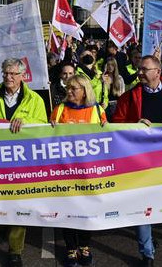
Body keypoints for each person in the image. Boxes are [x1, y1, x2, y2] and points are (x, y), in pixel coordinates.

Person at [113, 55, 162, 266]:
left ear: (157, 72)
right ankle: (147, 253)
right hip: (139, 161)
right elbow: (117, 124)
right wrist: (134, 124)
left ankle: (149, 238)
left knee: (160, 203)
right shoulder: (129, 97)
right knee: (143, 204)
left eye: (144, 69)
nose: (139, 73)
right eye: (139, 69)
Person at [0, 58, 47, 267]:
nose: (8, 77)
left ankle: (15, 250)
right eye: (5, 73)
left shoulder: (35, 99)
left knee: (19, 204)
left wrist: (27, 123)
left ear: (23, 76)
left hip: (22, 162)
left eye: (13, 74)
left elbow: (42, 126)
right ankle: (0, 227)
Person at [50, 75, 106, 267]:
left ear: (85, 91)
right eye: (68, 88)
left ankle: (84, 246)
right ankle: (71, 249)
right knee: (68, 212)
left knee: (85, 211)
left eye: (74, 88)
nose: (70, 91)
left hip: (88, 173)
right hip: (65, 172)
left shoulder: (97, 110)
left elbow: (107, 139)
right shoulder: (59, 110)